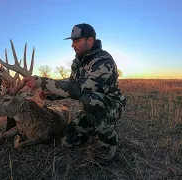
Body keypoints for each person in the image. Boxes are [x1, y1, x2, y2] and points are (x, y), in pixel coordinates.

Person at [21, 23, 126, 165]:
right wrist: (50, 93)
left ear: (90, 41)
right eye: (72, 41)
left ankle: (109, 141)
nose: (72, 45)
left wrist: (41, 81)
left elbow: (79, 89)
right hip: (90, 106)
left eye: (76, 41)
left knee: (88, 99)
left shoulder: (103, 61)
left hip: (111, 107)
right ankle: (95, 124)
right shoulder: (77, 62)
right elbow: (70, 84)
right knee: (68, 141)